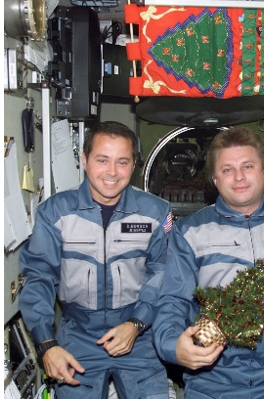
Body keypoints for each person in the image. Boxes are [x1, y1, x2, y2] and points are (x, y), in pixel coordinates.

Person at [152, 128, 264, 398]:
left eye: (247, 166)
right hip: (213, 376)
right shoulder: (190, 231)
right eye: (227, 170)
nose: (238, 177)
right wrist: (172, 345)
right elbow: (173, 300)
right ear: (215, 179)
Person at [18, 121, 172, 398]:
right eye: (102, 160)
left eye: (122, 162)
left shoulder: (156, 212)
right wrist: (46, 344)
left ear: (134, 164)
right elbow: (39, 276)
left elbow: (161, 271)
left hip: (137, 335)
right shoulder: (54, 213)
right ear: (85, 160)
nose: (112, 172)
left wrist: (137, 323)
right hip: (78, 336)